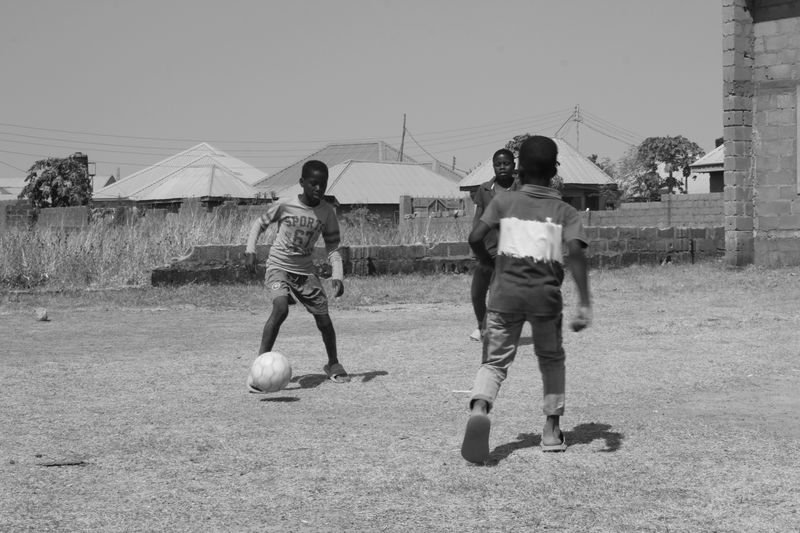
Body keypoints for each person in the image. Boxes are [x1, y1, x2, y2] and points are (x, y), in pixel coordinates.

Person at [460, 136, 592, 463]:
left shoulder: (504, 202)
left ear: (519, 169)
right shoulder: (565, 211)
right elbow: (575, 255)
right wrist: (585, 302)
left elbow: (475, 236)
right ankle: (550, 430)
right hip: (545, 299)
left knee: (494, 362)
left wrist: (490, 263)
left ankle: (480, 407)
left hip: (504, 295)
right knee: (551, 361)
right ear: (554, 171)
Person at [244, 160, 350, 386]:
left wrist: (337, 276)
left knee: (324, 320)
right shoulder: (285, 205)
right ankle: (259, 367)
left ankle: (333, 363)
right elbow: (258, 224)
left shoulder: (327, 213)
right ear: (302, 183)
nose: (318, 189)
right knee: (280, 308)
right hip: (278, 266)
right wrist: (250, 250)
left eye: (323, 184)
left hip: (305, 273)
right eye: (313, 184)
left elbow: (333, 249)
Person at [469, 148, 518, 342]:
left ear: (513, 166)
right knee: (477, 292)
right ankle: (482, 325)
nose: (502, 167)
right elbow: (478, 217)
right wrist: (474, 244)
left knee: (496, 293)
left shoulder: (521, 189)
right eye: (498, 164)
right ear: (494, 166)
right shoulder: (484, 189)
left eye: (506, 163)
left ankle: (496, 330)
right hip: (485, 249)